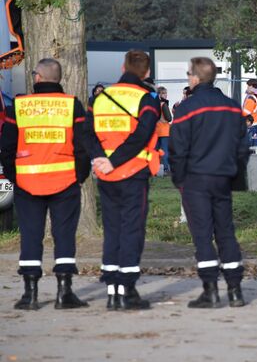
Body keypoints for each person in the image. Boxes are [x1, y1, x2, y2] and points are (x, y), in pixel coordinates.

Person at [0, 58, 90, 310]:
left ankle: (30, 294)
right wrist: (79, 176)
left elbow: (6, 148)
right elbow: (82, 146)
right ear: (58, 78)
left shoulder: (18, 106)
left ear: (37, 77)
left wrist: (15, 176)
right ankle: (65, 293)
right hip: (65, 182)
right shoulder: (72, 105)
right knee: (63, 236)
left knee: (30, 235)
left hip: (27, 183)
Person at [169, 57, 250, 308]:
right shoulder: (232, 107)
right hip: (222, 178)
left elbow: (177, 150)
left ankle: (210, 290)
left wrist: (179, 179)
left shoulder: (186, 109)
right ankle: (235, 290)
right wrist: (235, 177)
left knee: (202, 236)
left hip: (195, 179)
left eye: (188, 74)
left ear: (194, 78)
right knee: (226, 232)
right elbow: (242, 148)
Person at [86, 50, 160, 310]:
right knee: (132, 230)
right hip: (133, 172)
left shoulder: (101, 97)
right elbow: (142, 135)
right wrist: (115, 161)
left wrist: (99, 159)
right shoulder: (147, 99)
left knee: (112, 229)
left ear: (122, 67)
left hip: (106, 175)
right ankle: (128, 290)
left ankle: (111, 291)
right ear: (147, 72)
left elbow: (87, 131)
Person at [155, 86, 173, 174]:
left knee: (156, 151)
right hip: (164, 130)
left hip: (155, 131)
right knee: (165, 150)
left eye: (166, 93)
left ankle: (156, 169)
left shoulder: (154, 104)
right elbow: (169, 118)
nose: (166, 95)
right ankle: (166, 168)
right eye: (163, 93)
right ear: (159, 94)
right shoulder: (163, 104)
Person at [242, 79, 257, 146]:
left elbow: (246, 112)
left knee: (252, 144)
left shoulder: (251, 99)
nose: (247, 88)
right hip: (256, 123)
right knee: (254, 142)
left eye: (248, 86)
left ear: (251, 87)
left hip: (252, 124)